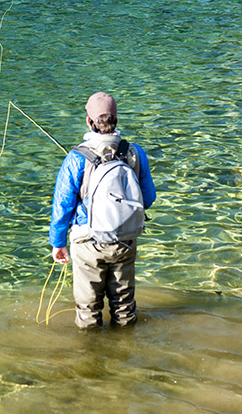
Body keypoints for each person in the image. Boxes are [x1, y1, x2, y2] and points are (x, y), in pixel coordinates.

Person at [49, 91, 156, 328]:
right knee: (125, 308)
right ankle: (126, 354)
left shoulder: (76, 158)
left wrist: (58, 243)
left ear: (89, 121)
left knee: (88, 310)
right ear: (116, 120)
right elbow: (148, 199)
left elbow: (62, 207)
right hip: (125, 240)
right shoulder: (134, 152)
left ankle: (92, 358)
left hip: (88, 243)